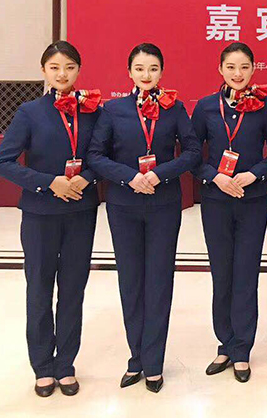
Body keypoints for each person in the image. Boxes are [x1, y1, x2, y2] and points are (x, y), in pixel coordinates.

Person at [87, 43, 201, 393]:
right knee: (131, 280)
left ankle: (154, 363)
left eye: (152, 68)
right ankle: (136, 357)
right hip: (124, 205)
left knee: (159, 281)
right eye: (139, 68)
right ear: (129, 72)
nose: (146, 74)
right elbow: (95, 155)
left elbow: (193, 151)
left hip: (164, 204)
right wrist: (129, 177)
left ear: (161, 72)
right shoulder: (113, 110)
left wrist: (160, 174)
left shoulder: (174, 108)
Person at [0, 41, 101, 398]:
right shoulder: (29, 112)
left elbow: (104, 157)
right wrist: (48, 183)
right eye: (54, 67)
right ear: (43, 71)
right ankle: (42, 366)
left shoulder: (93, 111)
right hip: (40, 215)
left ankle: (65, 364)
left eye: (69, 67)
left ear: (79, 70)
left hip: (80, 212)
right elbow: (2, 162)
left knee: (73, 289)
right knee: (39, 288)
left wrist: (88, 178)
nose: (62, 74)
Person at [190, 42, 267, 383]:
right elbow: (191, 154)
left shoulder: (265, 106)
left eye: (244, 66)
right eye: (231, 66)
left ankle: (242, 348)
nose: (238, 73)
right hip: (216, 200)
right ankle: (225, 344)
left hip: (252, 199)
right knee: (222, 272)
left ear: (253, 69)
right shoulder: (205, 107)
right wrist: (214, 176)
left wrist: (255, 173)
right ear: (220, 69)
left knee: (245, 272)